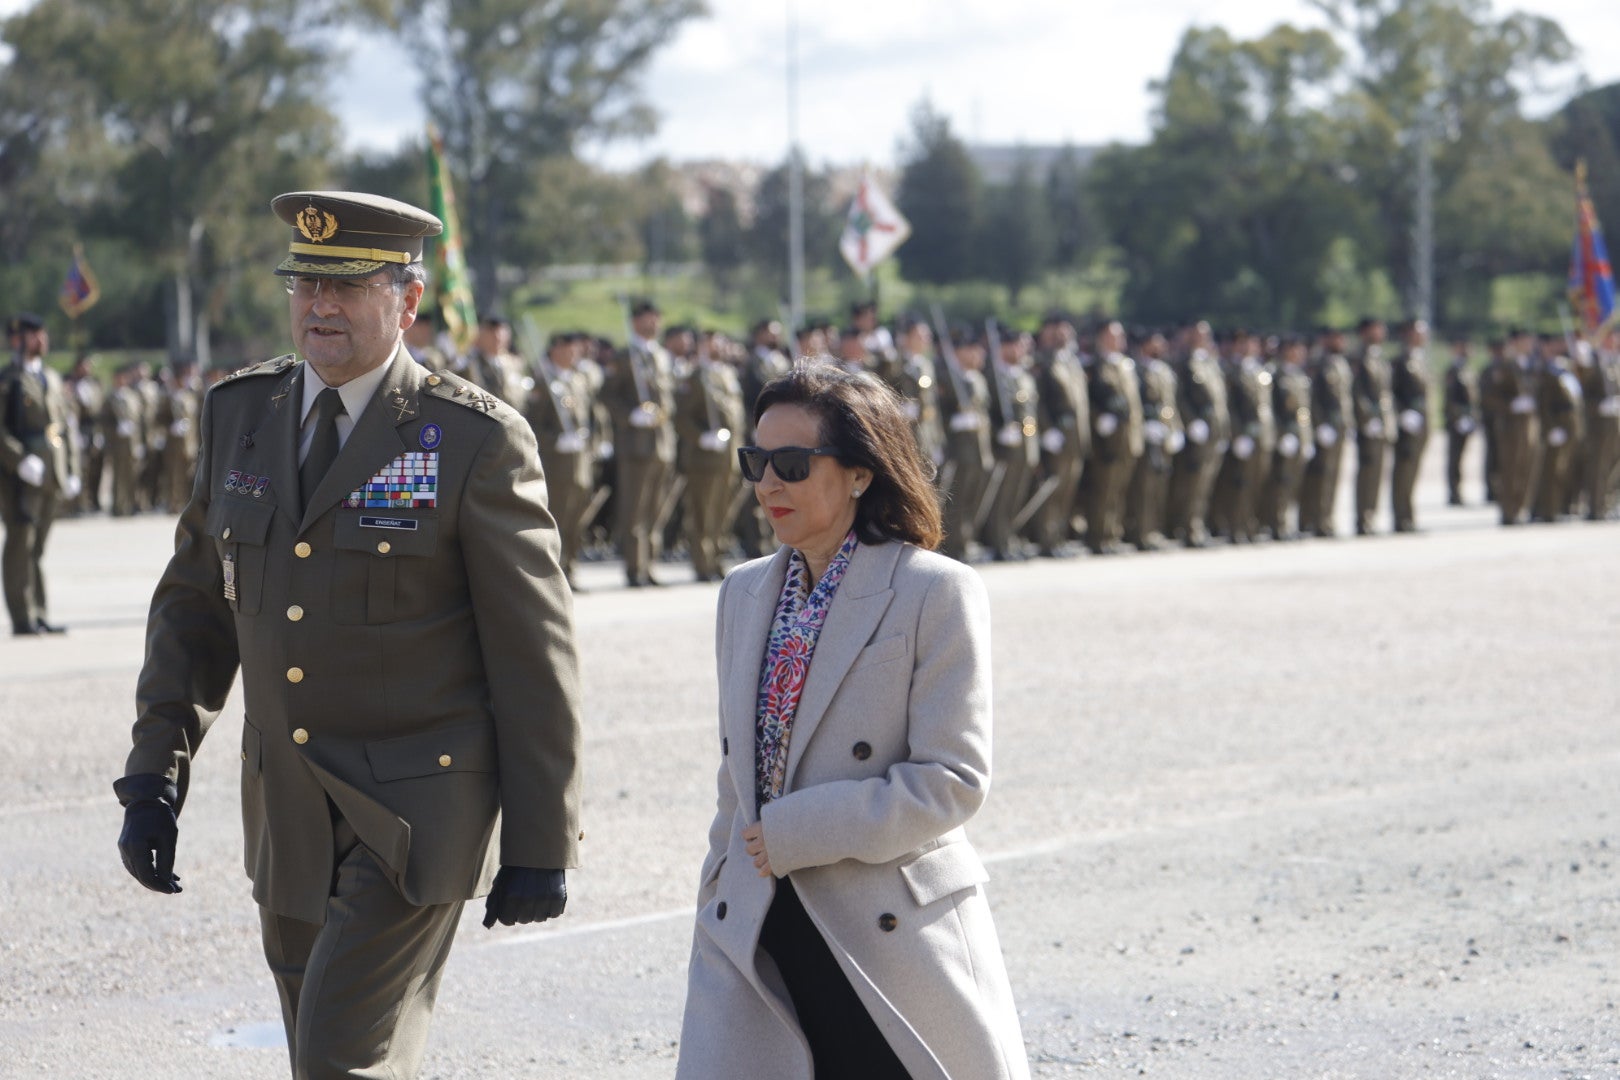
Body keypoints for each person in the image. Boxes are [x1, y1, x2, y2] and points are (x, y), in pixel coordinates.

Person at [112, 191, 583, 1080]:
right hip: (286, 812)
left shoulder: (471, 438)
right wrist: (154, 772)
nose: (319, 306)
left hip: (412, 817)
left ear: (407, 302)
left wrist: (541, 838)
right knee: (320, 1058)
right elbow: (193, 609)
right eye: (305, 283)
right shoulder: (238, 415)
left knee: (339, 1061)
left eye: (348, 286)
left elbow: (535, 654)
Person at [677, 359, 1029, 1080]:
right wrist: (721, 881)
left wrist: (797, 831)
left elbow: (952, 781)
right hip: (760, 918)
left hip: (886, 927)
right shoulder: (743, 593)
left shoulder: (934, 590)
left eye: (793, 464)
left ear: (862, 472)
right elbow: (736, 775)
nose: (768, 483)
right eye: (757, 461)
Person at [1, 312, 81, 635]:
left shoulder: (51, 377)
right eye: (35, 335)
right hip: (19, 476)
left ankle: (39, 611)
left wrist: (72, 468)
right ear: (18, 340)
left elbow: (65, 426)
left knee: (38, 548)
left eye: (42, 334)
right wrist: (19, 460)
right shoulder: (9, 379)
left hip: (51, 472)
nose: (42, 340)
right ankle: (23, 617)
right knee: (21, 541)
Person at [602, 297, 677, 587]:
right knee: (634, 510)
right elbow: (607, 395)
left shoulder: (660, 356)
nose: (655, 323)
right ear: (635, 321)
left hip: (661, 443)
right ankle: (635, 567)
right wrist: (630, 416)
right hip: (636, 444)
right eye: (649, 318)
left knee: (656, 510)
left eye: (656, 317)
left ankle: (651, 564)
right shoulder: (625, 356)